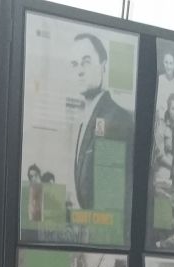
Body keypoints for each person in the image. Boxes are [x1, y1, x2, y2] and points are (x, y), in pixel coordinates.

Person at [68, 33, 134, 211]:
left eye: (86, 62)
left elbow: (112, 200)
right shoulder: (85, 120)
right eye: (74, 64)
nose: (80, 70)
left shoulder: (116, 118)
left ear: (103, 65)